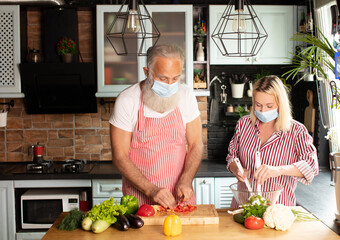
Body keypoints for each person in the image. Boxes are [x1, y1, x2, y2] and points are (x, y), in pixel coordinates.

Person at [109, 45, 203, 209]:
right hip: (140, 202)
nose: (170, 84)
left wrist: (187, 179)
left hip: (180, 199)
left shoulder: (186, 96)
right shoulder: (127, 100)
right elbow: (120, 157)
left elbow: (196, 144)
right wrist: (151, 190)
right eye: (163, 78)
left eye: (175, 79)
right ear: (147, 72)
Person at [226, 75, 319, 207]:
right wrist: (237, 170)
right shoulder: (243, 125)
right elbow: (232, 156)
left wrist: (279, 170)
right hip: (243, 207)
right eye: (258, 105)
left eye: (269, 106)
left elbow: (311, 166)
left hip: (278, 210)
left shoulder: (296, 131)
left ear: (280, 104)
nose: (263, 111)